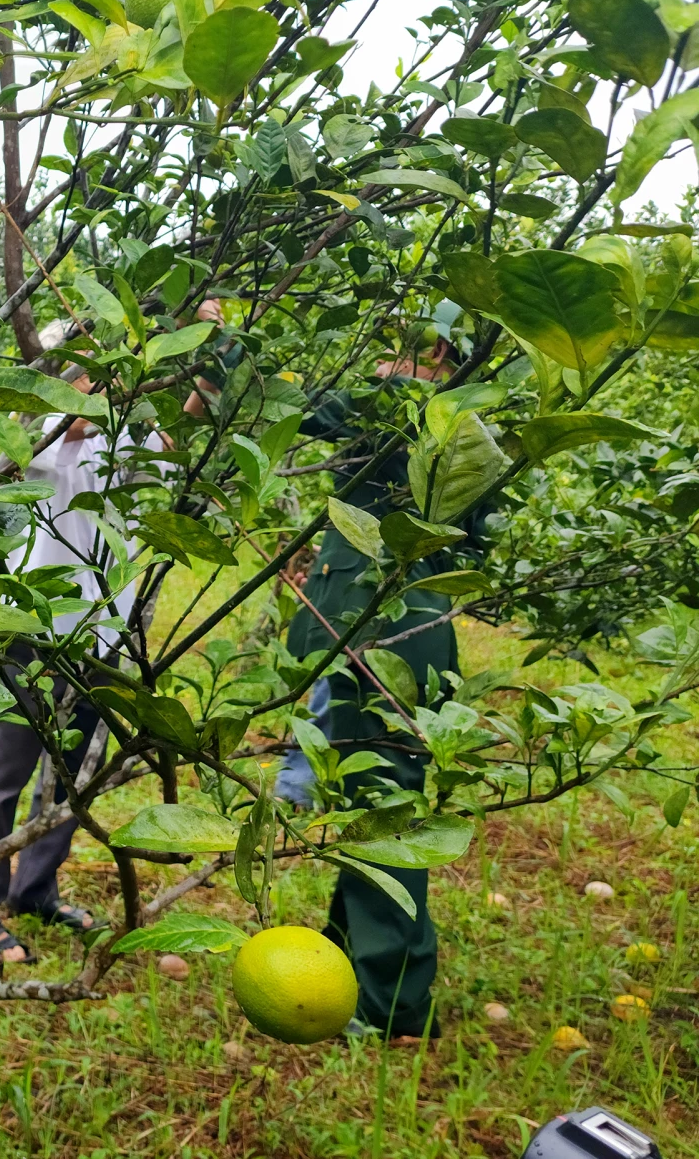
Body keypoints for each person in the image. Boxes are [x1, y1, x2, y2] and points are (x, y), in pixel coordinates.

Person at [276, 328, 472, 1043]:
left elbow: (295, 404)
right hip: (396, 629)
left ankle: (392, 1004)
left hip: (374, 632)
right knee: (368, 796)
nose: (391, 359)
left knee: (383, 805)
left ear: (444, 358)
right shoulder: (464, 430)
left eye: (415, 347)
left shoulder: (407, 406)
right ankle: (356, 950)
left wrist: (225, 343)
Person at [0, 336, 157, 963]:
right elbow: (63, 424)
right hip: (39, 629)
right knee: (4, 777)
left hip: (102, 635)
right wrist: (89, 365)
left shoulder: (136, 433)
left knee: (73, 776)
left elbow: (173, 445)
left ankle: (37, 888)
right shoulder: (46, 426)